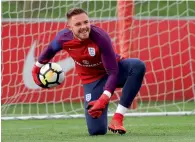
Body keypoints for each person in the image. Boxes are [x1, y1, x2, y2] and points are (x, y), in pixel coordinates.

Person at [32, 8, 146, 135]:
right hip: (92, 81)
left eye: (86, 22)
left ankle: (117, 118)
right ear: (69, 27)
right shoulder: (62, 38)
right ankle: (100, 118)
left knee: (137, 66)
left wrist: (103, 99)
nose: (84, 27)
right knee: (96, 131)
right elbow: (49, 51)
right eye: (78, 24)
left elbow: (113, 72)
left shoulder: (100, 37)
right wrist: (36, 68)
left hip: (114, 72)